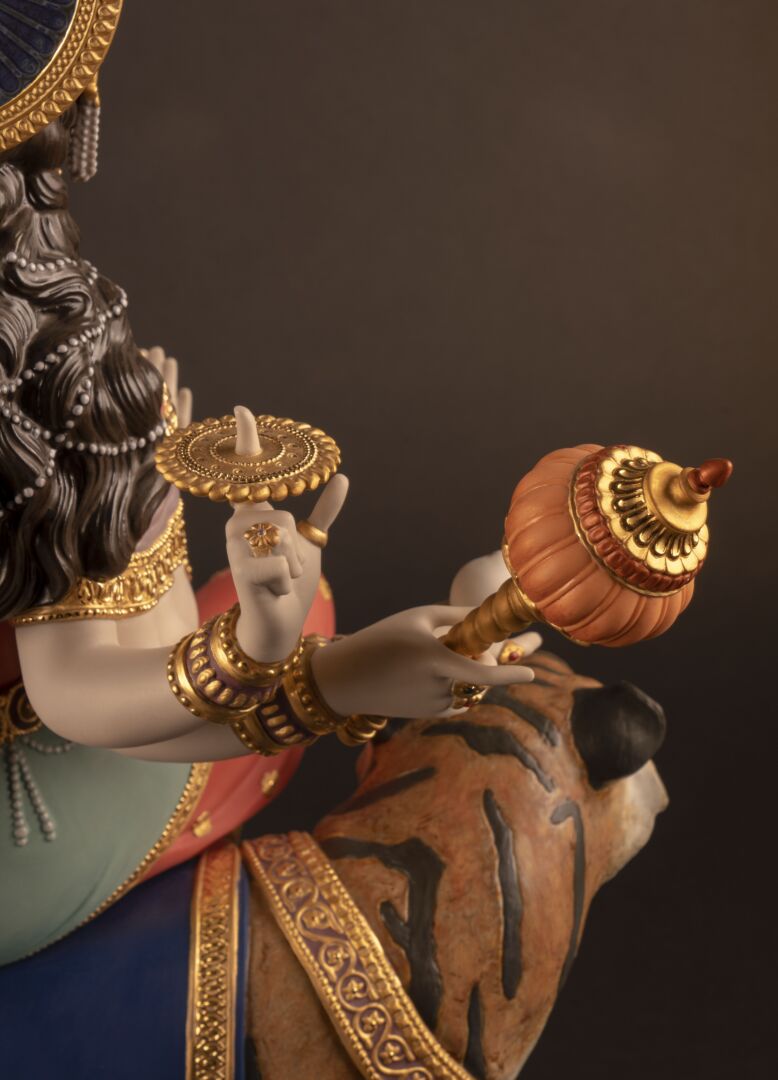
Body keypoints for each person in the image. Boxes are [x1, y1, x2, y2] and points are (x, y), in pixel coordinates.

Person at [0, 111, 535, 965]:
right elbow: (80, 696)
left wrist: (317, 667)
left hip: (80, 730)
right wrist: (283, 660)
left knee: (284, 610)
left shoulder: (54, 368)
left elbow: (93, 682)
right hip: (37, 814)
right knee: (288, 617)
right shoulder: (56, 375)